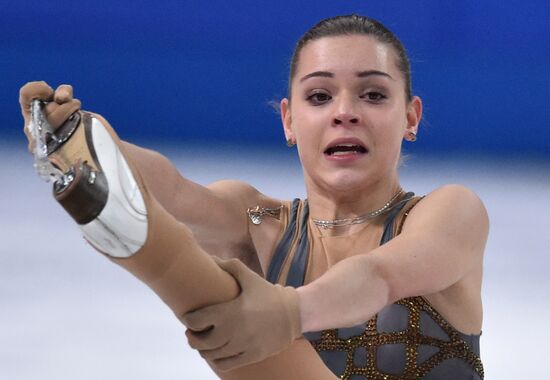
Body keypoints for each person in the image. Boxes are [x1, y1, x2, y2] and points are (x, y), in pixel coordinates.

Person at [20, 14, 488, 380]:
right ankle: (127, 210)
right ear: (288, 120)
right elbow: (176, 193)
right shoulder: (261, 222)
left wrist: (290, 312)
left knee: (211, 294)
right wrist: (83, 137)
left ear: (411, 117)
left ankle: (157, 255)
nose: (345, 112)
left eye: (372, 94)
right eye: (320, 96)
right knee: (205, 266)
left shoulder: (450, 213)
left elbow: (379, 275)